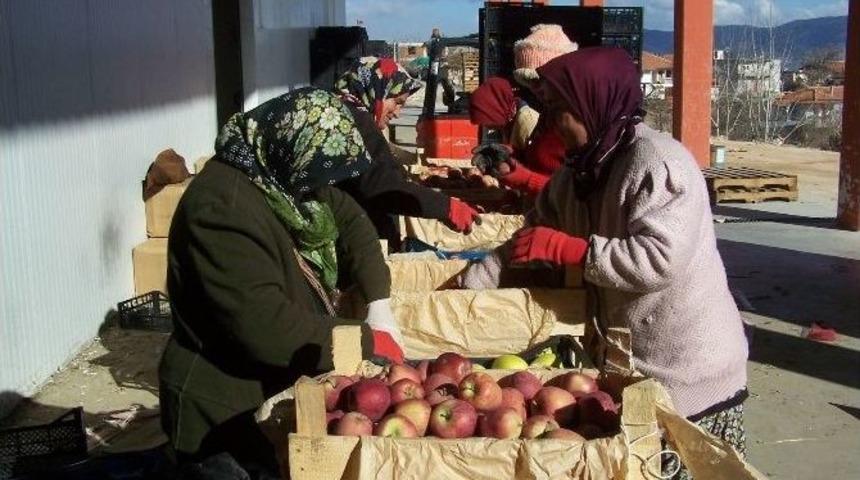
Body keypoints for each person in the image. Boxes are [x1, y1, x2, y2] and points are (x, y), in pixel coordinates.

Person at [463, 48, 749, 479]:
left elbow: (660, 259)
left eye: (561, 110)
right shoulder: (579, 172)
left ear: (595, 105)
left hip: (689, 368)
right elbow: (528, 238)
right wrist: (468, 287)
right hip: (629, 362)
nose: (552, 123)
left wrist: (573, 251)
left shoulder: (657, 163)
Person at [159, 88, 405, 479]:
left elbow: (352, 219)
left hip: (269, 387)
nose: (320, 188)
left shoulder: (280, 178)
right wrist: (365, 339)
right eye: (318, 175)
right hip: (224, 409)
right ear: (295, 147)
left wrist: (379, 304)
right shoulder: (222, 210)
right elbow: (264, 326)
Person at [333, 57, 481, 247]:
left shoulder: (343, 111)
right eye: (397, 102)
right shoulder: (358, 120)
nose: (397, 113)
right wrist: (446, 208)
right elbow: (383, 186)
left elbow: (375, 171)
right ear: (378, 88)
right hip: (351, 237)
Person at [471, 25, 577, 197]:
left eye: (539, 80)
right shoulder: (548, 115)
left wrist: (523, 178)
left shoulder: (575, 122)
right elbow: (537, 158)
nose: (536, 90)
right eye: (529, 82)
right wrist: (509, 152)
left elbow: (574, 196)